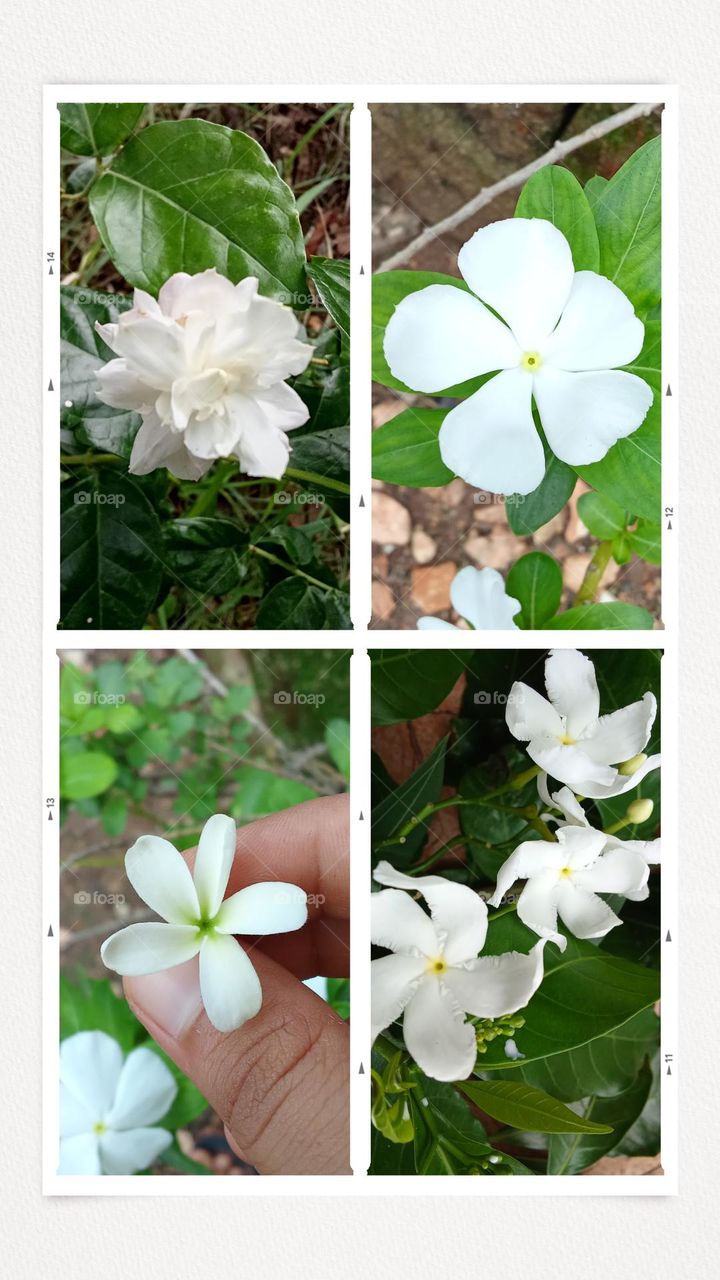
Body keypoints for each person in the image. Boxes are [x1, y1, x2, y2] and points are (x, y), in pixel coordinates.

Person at [125, 794, 350, 1175]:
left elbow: (282, 901)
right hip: (210, 926)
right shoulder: (194, 930)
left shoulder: (212, 927)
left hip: (217, 923)